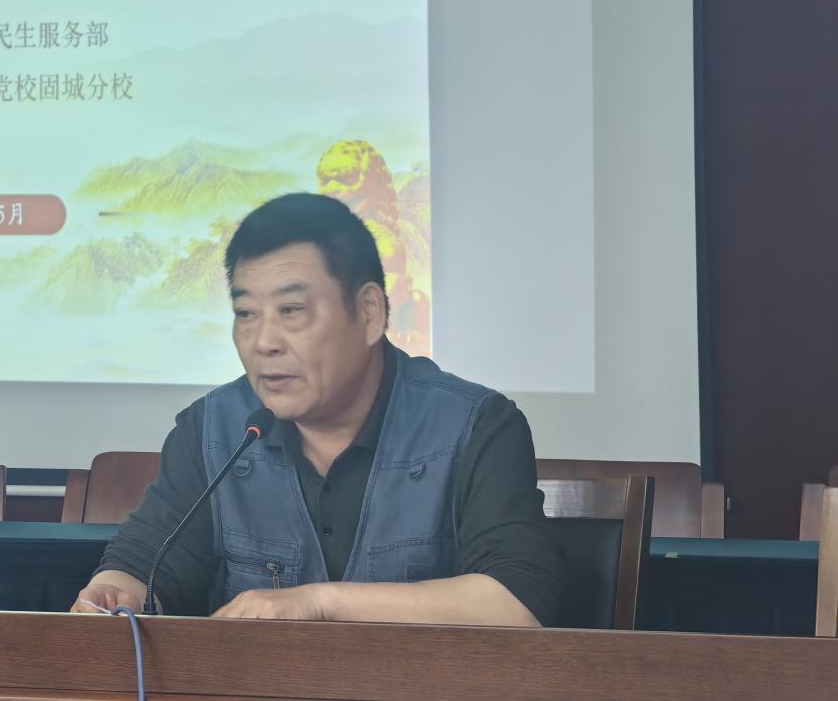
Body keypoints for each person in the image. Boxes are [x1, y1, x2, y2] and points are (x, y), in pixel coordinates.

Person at [71, 192, 563, 623]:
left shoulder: (475, 426)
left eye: (292, 311)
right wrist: (114, 593)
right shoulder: (213, 429)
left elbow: (518, 600)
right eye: (246, 313)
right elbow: (144, 564)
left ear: (369, 312)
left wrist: (319, 602)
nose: (263, 341)